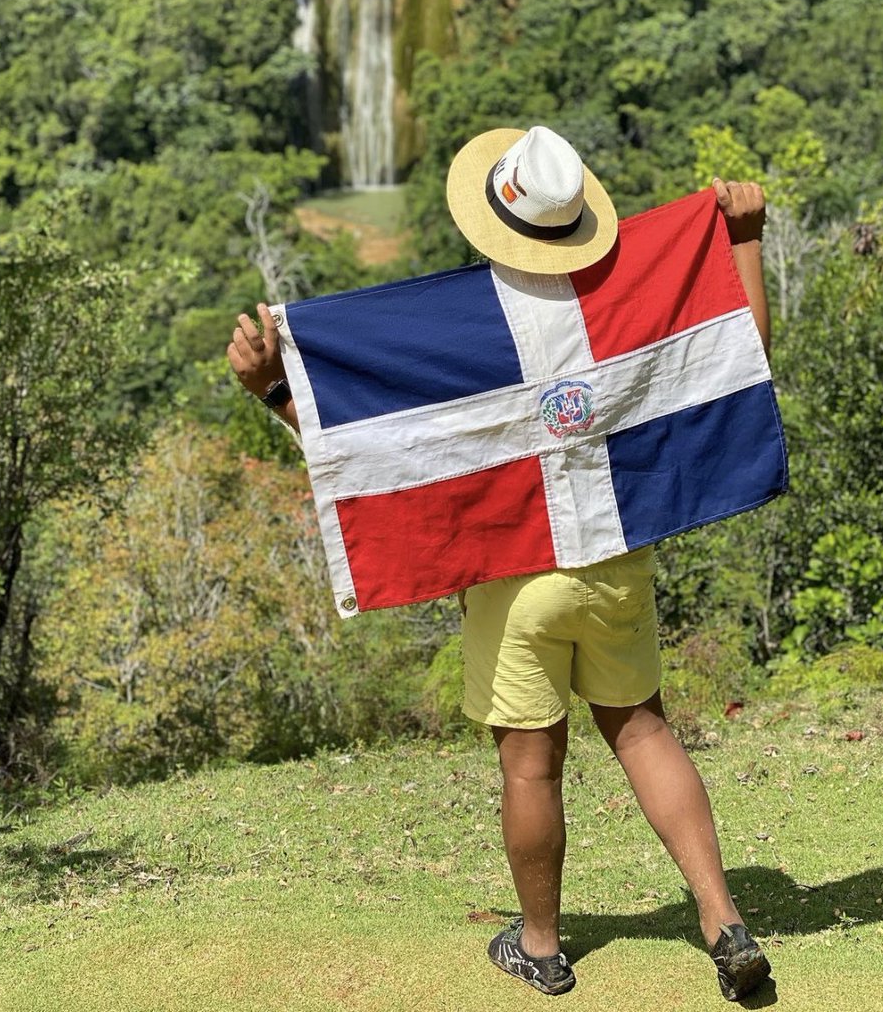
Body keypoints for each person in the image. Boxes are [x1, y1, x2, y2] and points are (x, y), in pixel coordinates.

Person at [227, 127, 773, 1003]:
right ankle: (723, 920)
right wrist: (742, 237)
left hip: (517, 580)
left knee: (530, 766)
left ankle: (542, 948)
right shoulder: (625, 292)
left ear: (490, 214)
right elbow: (740, 360)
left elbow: (378, 455)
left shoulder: (454, 328)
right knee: (641, 729)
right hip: (612, 561)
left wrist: (273, 390)